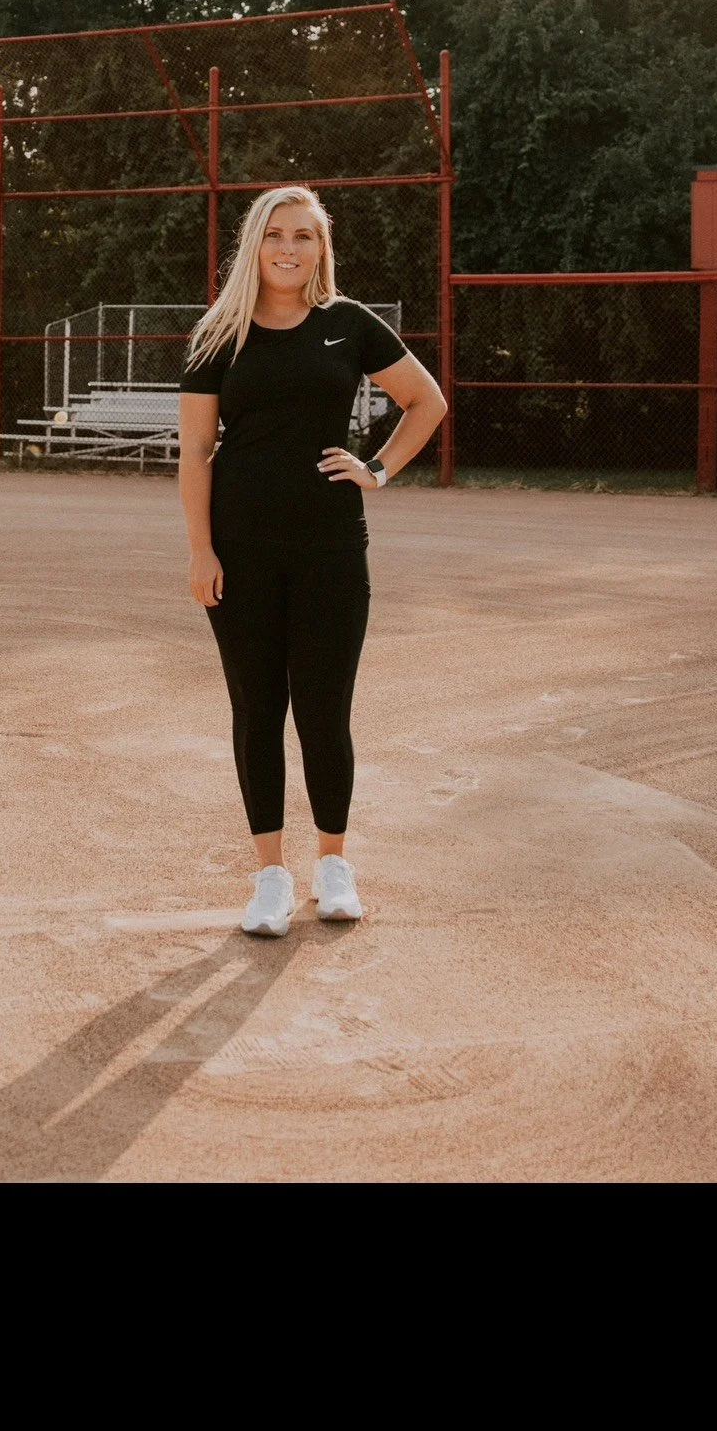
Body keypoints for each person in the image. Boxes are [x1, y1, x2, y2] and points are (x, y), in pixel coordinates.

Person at [178, 184, 447, 936]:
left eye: (304, 236)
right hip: (239, 549)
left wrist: (379, 468)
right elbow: (196, 450)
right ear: (254, 246)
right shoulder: (217, 334)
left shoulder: (347, 324)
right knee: (256, 711)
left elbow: (426, 402)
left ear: (320, 248)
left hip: (331, 546)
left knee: (324, 712)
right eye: (275, 235)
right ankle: (270, 876)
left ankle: (333, 865)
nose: (289, 248)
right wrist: (200, 549)